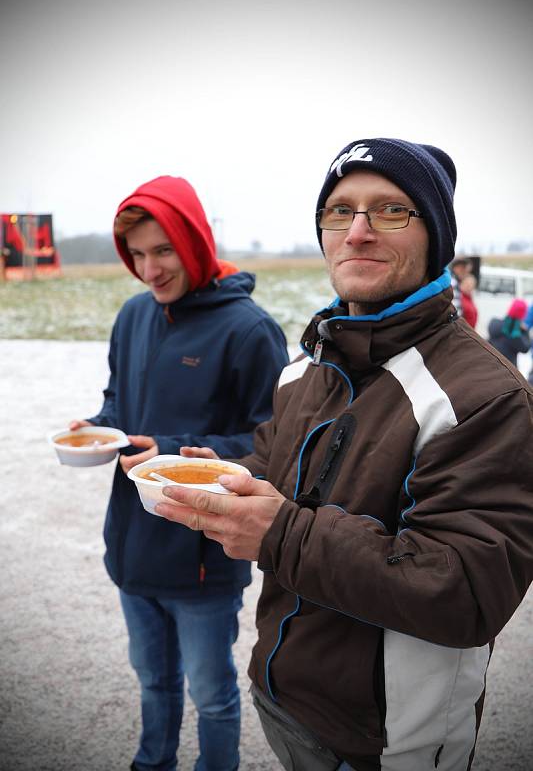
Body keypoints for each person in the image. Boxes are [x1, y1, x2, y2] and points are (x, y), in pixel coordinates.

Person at [155, 139, 533, 771]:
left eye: (389, 210)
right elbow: (277, 475)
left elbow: (467, 592)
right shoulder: (304, 370)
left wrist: (280, 532)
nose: (357, 232)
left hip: (391, 740)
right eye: (339, 211)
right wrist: (220, 479)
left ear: (436, 239)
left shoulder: (483, 397)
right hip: (284, 697)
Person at [69, 175, 289, 771]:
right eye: (137, 255)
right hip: (133, 547)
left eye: (163, 250)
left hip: (202, 556)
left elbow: (273, 446)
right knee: (153, 684)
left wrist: (169, 447)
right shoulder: (133, 316)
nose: (150, 269)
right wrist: (96, 431)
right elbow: (119, 404)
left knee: (212, 696)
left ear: (194, 241)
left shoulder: (250, 330)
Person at [487, 298, 531, 367]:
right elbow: (525, 348)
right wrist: (525, 331)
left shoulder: (496, 324)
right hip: (508, 371)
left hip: (490, 366)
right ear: (522, 315)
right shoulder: (516, 333)